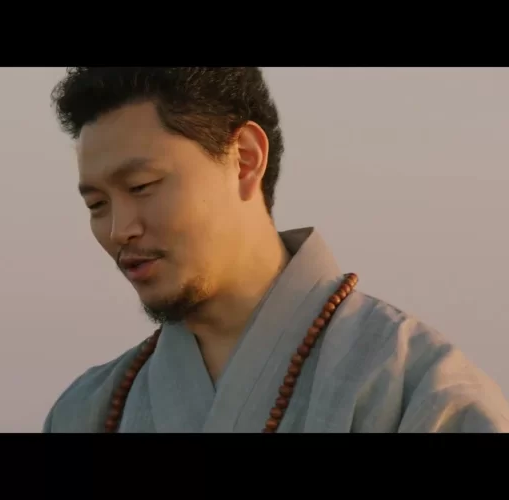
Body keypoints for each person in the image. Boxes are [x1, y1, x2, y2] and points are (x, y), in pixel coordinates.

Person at [41, 67, 509, 433]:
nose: (119, 230)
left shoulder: (418, 391)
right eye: (97, 204)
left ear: (245, 159)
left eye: (141, 186)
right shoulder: (87, 412)